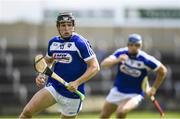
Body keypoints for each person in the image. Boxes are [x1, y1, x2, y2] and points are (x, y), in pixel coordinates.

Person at [19, 12, 100, 119]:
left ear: (73, 26)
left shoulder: (80, 43)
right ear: (58, 27)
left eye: (69, 25)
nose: (66, 28)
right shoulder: (53, 43)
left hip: (73, 94)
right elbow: (47, 61)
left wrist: (77, 82)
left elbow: (95, 67)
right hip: (54, 87)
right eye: (63, 25)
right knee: (27, 112)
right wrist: (41, 74)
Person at [100, 34, 167, 119]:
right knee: (103, 116)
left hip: (134, 94)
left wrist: (154, 88)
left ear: (141, 46)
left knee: (121, 112)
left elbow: (163, 71)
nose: (134, 47)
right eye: (131, 45)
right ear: (127, 45)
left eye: (137, 45)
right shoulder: (121, 52)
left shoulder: (145, 59)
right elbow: (104, 64)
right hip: (117, 91)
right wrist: (118, 60)